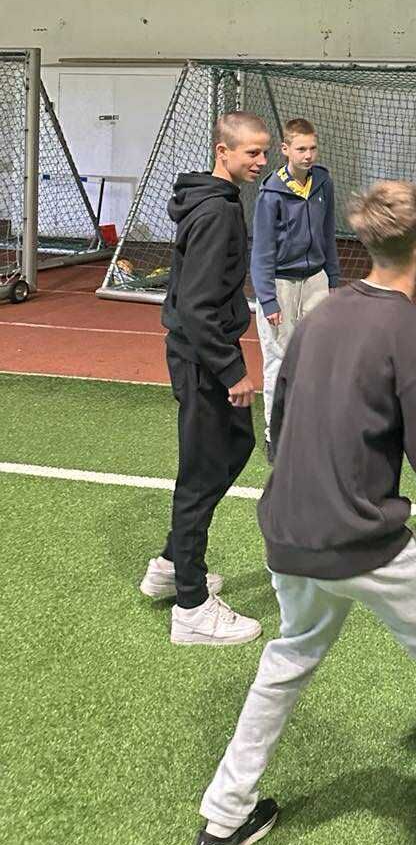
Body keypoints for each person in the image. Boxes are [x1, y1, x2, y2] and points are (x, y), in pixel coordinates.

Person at [188, 181, 416, 845]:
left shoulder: (321, 315)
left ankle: (223, 817)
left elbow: (280, 426)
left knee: (293, 651)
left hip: (286, 531)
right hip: (360, 541)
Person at [139, 111, 271, 646]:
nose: (262, 161)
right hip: (202, 357)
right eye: (252, 153)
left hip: (204, 351)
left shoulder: (219, 201)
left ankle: (172, 565)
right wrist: (232, 370)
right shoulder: (216, 211)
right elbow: (196, 305)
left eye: (265, 152)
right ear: (224, 152)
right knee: (201, 473)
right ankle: (191, 605)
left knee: (235, 446)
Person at [250, 116, 342, 457]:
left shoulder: (323, 182)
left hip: (316, 280)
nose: (308, 155)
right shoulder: (270, 193)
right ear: (286, 149)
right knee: (279, 359)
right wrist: (267, 299)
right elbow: (261, 250)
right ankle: (275, 434)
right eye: (301, 149)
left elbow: (328, 234)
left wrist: (333, 280)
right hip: (280, 284)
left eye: (312, 148)